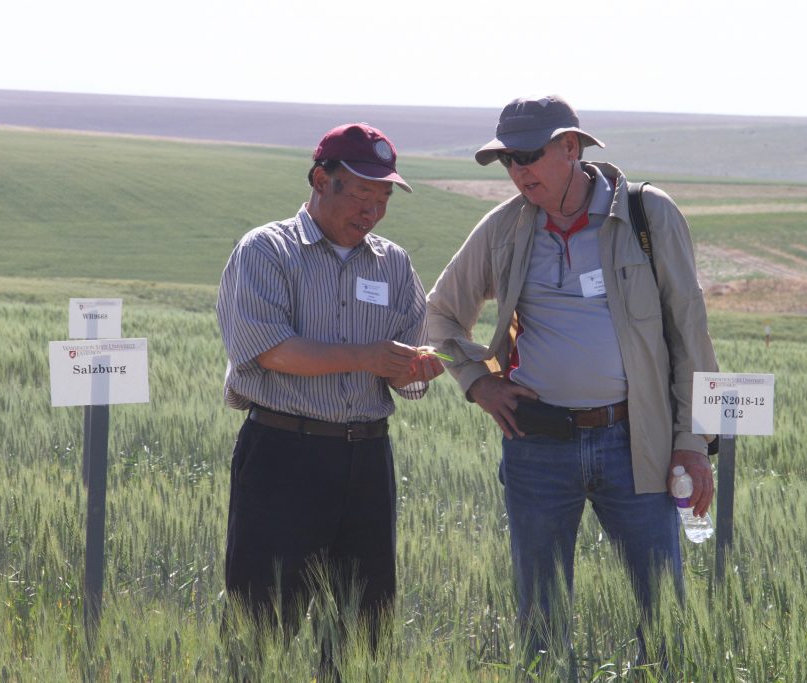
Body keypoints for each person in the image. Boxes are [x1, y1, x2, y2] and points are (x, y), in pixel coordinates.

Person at [426, 95, 719, 671]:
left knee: (663, 612)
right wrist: (477, 384)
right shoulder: (505, 227)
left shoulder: (646, 215)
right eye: (506, 160)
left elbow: (690, 330)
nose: (517, 172)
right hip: (537, 447)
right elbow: (440, 315)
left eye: (528, 156)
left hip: (635, 442)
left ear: (570, 147)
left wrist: (692, 441)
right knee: (540, 617)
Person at [216, 122, 444, 678]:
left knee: (363, 627)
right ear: (321, 180)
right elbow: (267, 348)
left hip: (366, 459)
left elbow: (407, 371)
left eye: (383, 199)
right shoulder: (267, 250)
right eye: (362, 195)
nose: (371, 211)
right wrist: (367, 356)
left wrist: (419, 369)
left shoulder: (393, 264)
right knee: (262, 622)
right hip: (283, 454)